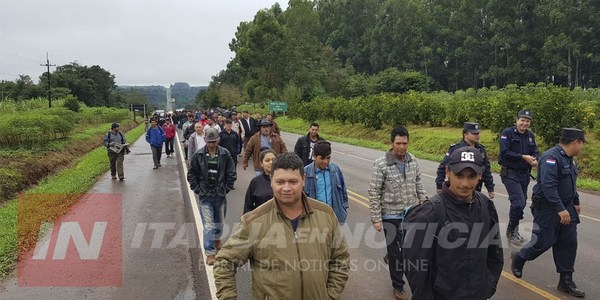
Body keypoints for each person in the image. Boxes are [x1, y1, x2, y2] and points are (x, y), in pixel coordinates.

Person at [213, 152, 350, 299]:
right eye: (280, 182)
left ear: (303, 180)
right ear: (271, 181)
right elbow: (224, 262)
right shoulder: (254, 221)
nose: (286, 188)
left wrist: (331, 295)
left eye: (293, 181)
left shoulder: (326, 215)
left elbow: (340, 258)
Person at [403, 146, 504, 299]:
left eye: (471, 176)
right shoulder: (429, 212)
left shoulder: (485, 206)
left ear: (480, 176)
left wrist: (487, 288)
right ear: (448, 172)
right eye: (459, 175)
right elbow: (415, 268)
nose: (465, 183)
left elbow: (494, 253)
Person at [511, 128, 586, 298]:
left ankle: (566, 281)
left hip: (566, 206)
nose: (582, 147)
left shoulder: (569, 159)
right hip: (548, 208)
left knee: (568, 243)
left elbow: (570, 183)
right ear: (575, 142)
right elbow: (548, 186)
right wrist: (560, 209)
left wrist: (576, 202)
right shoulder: (551, 158)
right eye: (581, 143)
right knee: (543, 242)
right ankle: (520, 257)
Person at [368, 125, 427, 300]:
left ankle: (394, 257)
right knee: (396, 254)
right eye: (398, 143)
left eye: (405, 143)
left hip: (411, 215)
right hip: (389, 216)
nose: (402, 147)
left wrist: (424, 203)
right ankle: (398, 286)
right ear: (391, 143)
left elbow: (418, 183)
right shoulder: (381, 164)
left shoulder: (413, 160)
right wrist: (376, 219)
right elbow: (374, 191)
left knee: (411, 250)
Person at [187, 127, 237, 266]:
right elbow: (192, 174)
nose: (211, 144)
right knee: (208, 225)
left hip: (220, 194)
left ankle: (217, 239)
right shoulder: (198, 155)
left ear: (218, 140)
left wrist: (226, 188)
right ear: (205, 140)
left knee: (219, 222)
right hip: (205, 195)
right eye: (209, 142)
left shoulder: (225, 154)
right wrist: (197, 188)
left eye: (214, 141)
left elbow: (231, 172)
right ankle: (210, 252)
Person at [499, 110, 540, 244]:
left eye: (527, 121)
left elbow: (535, 151)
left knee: (521, 203)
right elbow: (504, 153)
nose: (524, 123)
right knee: (518, 203)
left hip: (524, 174)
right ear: (517, 120)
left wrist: (535, 160)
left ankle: (512, 227)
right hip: (510, 173)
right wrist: (523, 157)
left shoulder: (530, 135)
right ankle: (512, 231)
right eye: (522, 120)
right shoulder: (507, 133)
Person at [435, 122, 494, 198]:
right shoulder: (456, 149)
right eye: (474, 134)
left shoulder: (481, 150)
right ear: (465, 134)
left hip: (475, 189)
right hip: (457, 189)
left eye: (478, 134)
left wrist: (490, 188)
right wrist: (439, 185)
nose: (477, 136)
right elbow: (443, 167)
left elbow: (486, 170)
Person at [304, 141, 349, 224]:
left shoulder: (335, 170)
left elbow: (343, 190)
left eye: (328, 158)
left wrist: (344, 208)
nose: (325, 162)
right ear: (314, 156)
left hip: (333, 216)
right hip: (315, 219)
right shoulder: (306, 173)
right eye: (322, 158)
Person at [243, 149, 276, 213]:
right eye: (267, 160)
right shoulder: (255, 182)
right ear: (261, 163)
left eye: (273, 160)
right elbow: (248, 205)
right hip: (261, 219)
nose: (271, 162)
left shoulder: (285, 180)